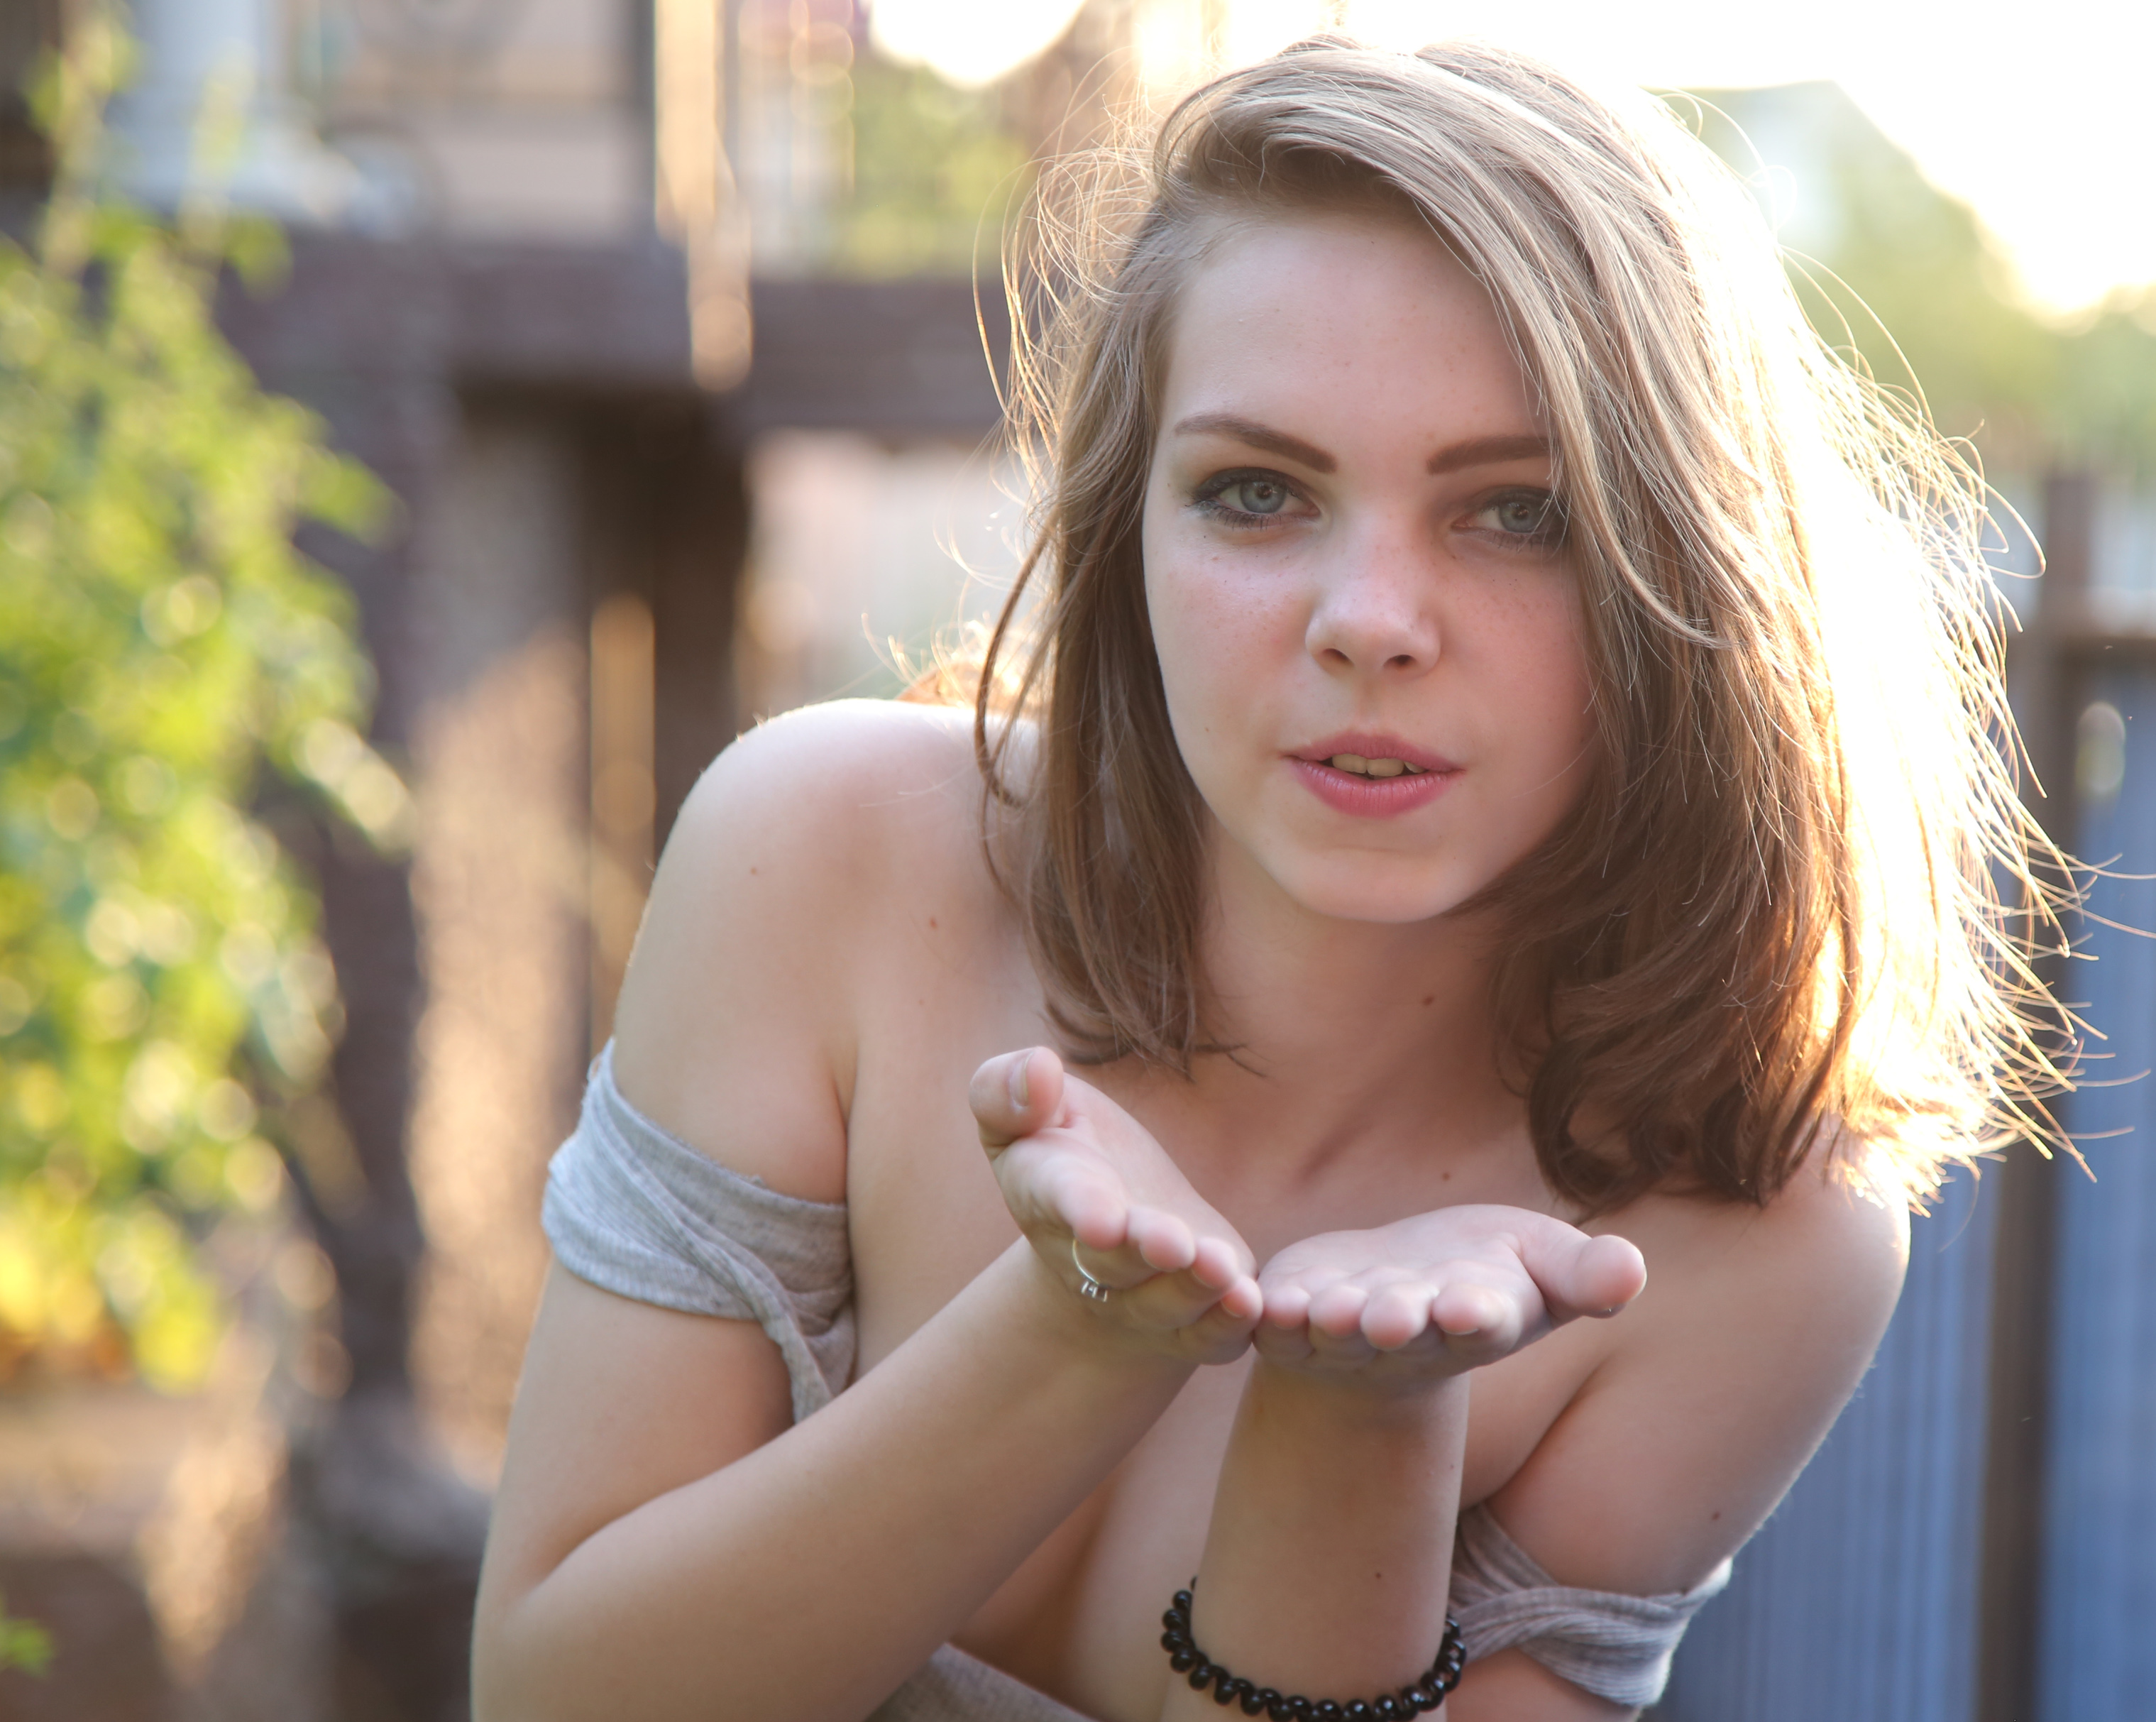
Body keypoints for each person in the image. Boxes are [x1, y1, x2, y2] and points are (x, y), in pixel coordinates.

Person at [469, 33, 2052, 1722]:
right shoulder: (827, 853)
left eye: (1515, 513)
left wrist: (1363, 1422)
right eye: (1255, 491)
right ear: (1126, 531)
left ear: (1689, 570)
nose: (1367, 619)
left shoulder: (1753, 1231)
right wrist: (1079, 1327)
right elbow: (555, 1701)